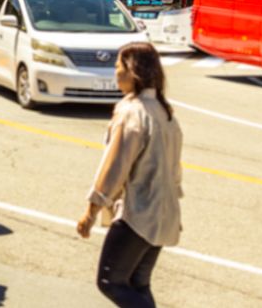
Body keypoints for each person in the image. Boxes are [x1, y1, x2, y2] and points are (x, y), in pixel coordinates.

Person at [77, 42, 183, 308]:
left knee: (110, 281)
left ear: (133, 71)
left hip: (138, 214)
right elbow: (175, 172)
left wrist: (91, 211)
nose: (115, 73)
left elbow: (114, 167)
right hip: (165, 213)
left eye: (118, 67)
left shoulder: (132, 112)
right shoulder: (165, 111)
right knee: (137, 283)